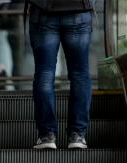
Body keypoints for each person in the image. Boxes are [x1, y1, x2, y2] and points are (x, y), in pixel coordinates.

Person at [28, 0, 93, 149]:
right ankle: (77, 135)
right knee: (80, 75)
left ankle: (47, 135)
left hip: (42, 12)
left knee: (44, 74)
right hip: (79, 11)